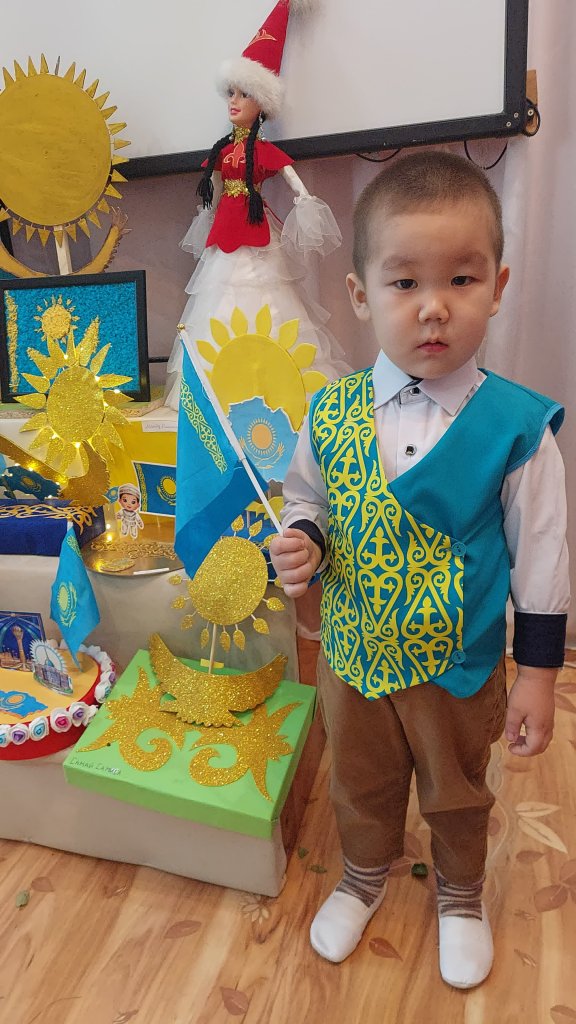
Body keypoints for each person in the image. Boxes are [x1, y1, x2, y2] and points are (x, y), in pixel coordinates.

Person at [270, 149, 569, 988]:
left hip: (455, 664)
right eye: (404, 283)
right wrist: (303, 537)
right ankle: (364, 874)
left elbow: (544, 554)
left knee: (456, 788)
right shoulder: (329, 410)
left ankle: (461, 895)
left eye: (461, 280)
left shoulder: (517, 429)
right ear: (361, 294)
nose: (434, 306)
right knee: (359, 779)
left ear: (497, 287)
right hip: (353, 654)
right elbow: (310, 498)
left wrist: (538, 674)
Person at [164, 0, 348, 412]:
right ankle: (220, 388)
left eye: (244, 94)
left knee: (269, 296)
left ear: (261, 104)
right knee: (219, 296)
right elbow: (213, 182)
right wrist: (208, 209)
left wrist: (304, 201)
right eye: (230, 92)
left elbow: (288, 175)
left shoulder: (261, 151)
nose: (233, 101)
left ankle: (272, 382)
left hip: (254, 226)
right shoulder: (222, 150)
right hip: (226, 226)